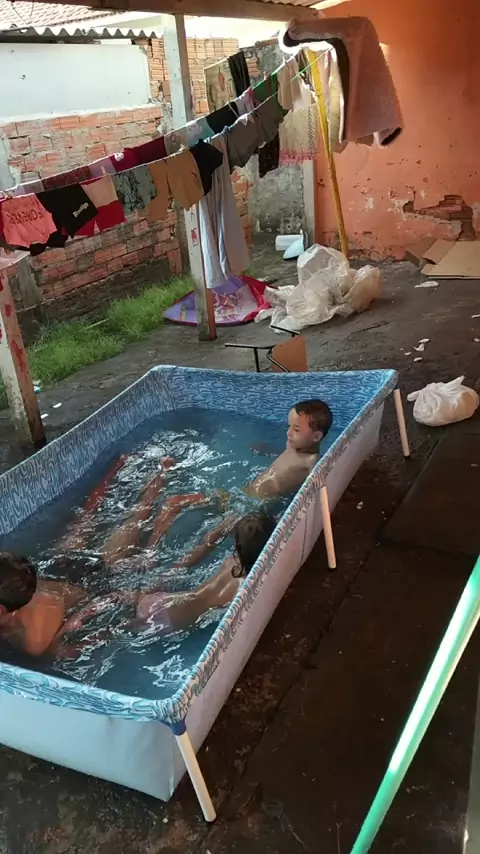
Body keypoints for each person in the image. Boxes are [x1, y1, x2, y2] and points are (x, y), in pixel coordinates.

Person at [0, 512, 276, 656]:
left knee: (140, 589)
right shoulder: (244, 583)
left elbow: (194, 558)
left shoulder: (230, 562)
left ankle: (163, 522)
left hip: (164, 601)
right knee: (120, 628)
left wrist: (216, 532)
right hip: (172, 617)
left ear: (237, 548)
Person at [177, 398, 332, 568]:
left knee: (214, 535)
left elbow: (317, 490)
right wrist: (268, 451)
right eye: (289, 426)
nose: (288, 433)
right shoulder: (293, 445)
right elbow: (286, 461)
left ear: (316, 436)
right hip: (241, 493)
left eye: (296, 429)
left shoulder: (311, 461)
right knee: (184, 501)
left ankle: (177, 569)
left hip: (252, 506)